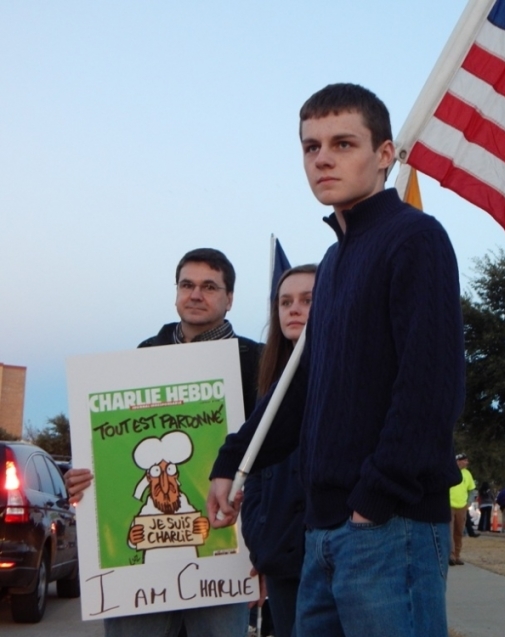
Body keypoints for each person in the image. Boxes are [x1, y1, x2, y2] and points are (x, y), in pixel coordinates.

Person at [207, 83, 465, 637]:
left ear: (384, 154)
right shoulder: (334, 258)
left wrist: (374, 498)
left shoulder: (415, 239)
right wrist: (231, 461)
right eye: (310, 146)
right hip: (321, 532)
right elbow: (301, 392)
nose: (322, 158)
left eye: (343, 143)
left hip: (388, 527)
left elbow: (431, 386)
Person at [64, 247, 261, 637]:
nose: (195, 294)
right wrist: (87, 476)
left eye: (209, 286)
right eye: (187, 285)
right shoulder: (141, 357)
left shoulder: (256, 362)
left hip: (226, 555)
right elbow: (114, 449)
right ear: (176, 292)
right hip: (139, 580)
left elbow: (274, 459)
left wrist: (266, 550)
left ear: (230, 298)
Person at [240, 265, 316, 637]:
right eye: (285, 302)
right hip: (281, 555)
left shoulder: (342, 373)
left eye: (307, 300)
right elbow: (255, 468)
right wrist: (259, 534)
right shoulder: (268, 383)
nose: (294, 309)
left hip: (330, 551)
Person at [449, 453, 477, 565]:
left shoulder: (467, 474)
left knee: (459, 531)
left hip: (462, 506)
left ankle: (457, 555)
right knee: (449, 531)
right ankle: (450, 555)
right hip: (449, 505)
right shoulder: (450, 471)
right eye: (464, 460)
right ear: (458, 461)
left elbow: (472, 489)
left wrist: (468, 502)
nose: (467, 462)